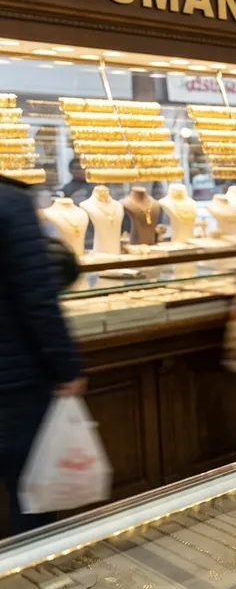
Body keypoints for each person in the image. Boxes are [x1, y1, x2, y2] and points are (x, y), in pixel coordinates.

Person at [0, 174, 86, 534]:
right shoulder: (11, 204)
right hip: (14, 385)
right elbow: (38, 298)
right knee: (32, 496)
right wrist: (67, 368)